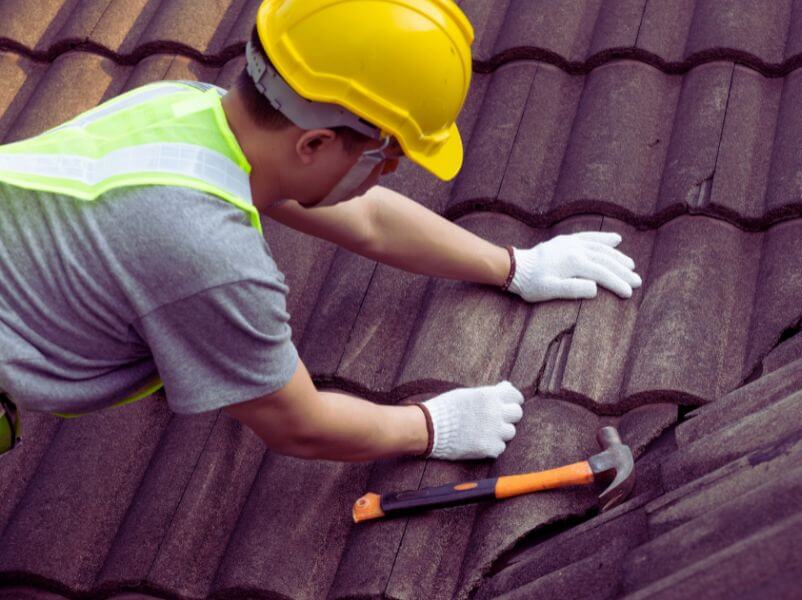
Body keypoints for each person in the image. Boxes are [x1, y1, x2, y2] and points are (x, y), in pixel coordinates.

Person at [0, 0, 641, 462]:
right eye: (384, 156)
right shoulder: (208, 254)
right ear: (314, 143)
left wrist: (513, 264)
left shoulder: (183, 107)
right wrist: (429, 425)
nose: (385, 173)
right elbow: (297, 425)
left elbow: (365, 219)